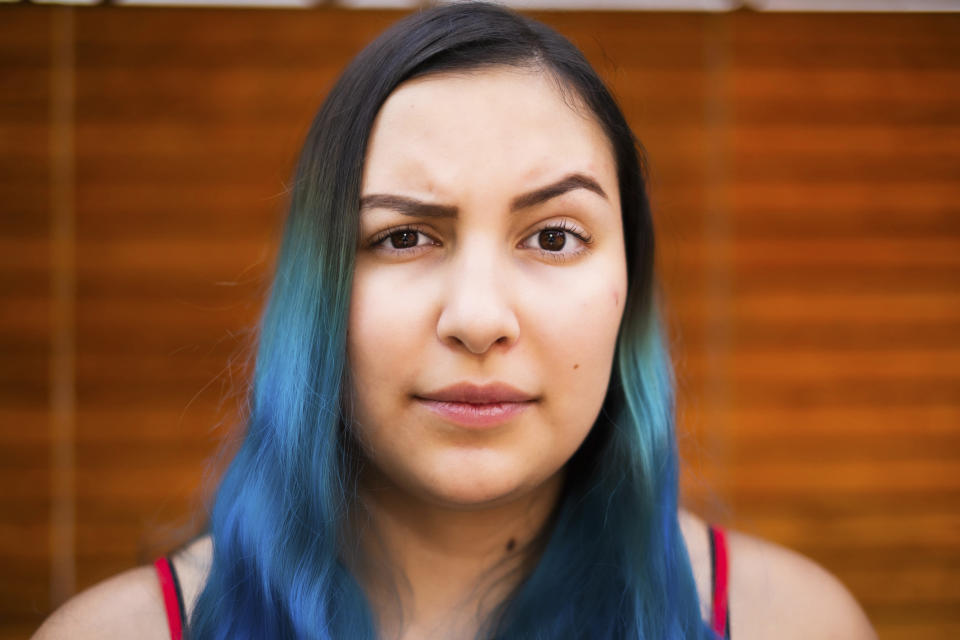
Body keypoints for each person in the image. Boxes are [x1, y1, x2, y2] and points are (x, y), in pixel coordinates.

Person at [33, 3, 878, 639]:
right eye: (403, 236)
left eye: (553, 237)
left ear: (630, 289)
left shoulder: (797, 623)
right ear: (316, 293)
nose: (478, 318)